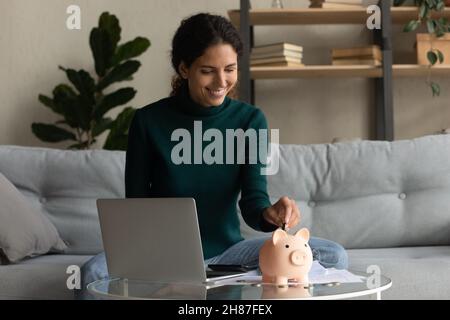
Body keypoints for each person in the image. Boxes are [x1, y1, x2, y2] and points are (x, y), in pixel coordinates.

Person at [75, 12, 348, 299]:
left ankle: (212, 279)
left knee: (332, 255)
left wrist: (270, 213)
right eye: (208, 70)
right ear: (184, 69)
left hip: (229, 255)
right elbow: (137, 206)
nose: (221, 81)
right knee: (93, 272)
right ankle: (194, 281)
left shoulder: (250, 120)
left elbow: (254, 200)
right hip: (165, 257)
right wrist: (160, 261)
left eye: (230, 69)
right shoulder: (148, 121)